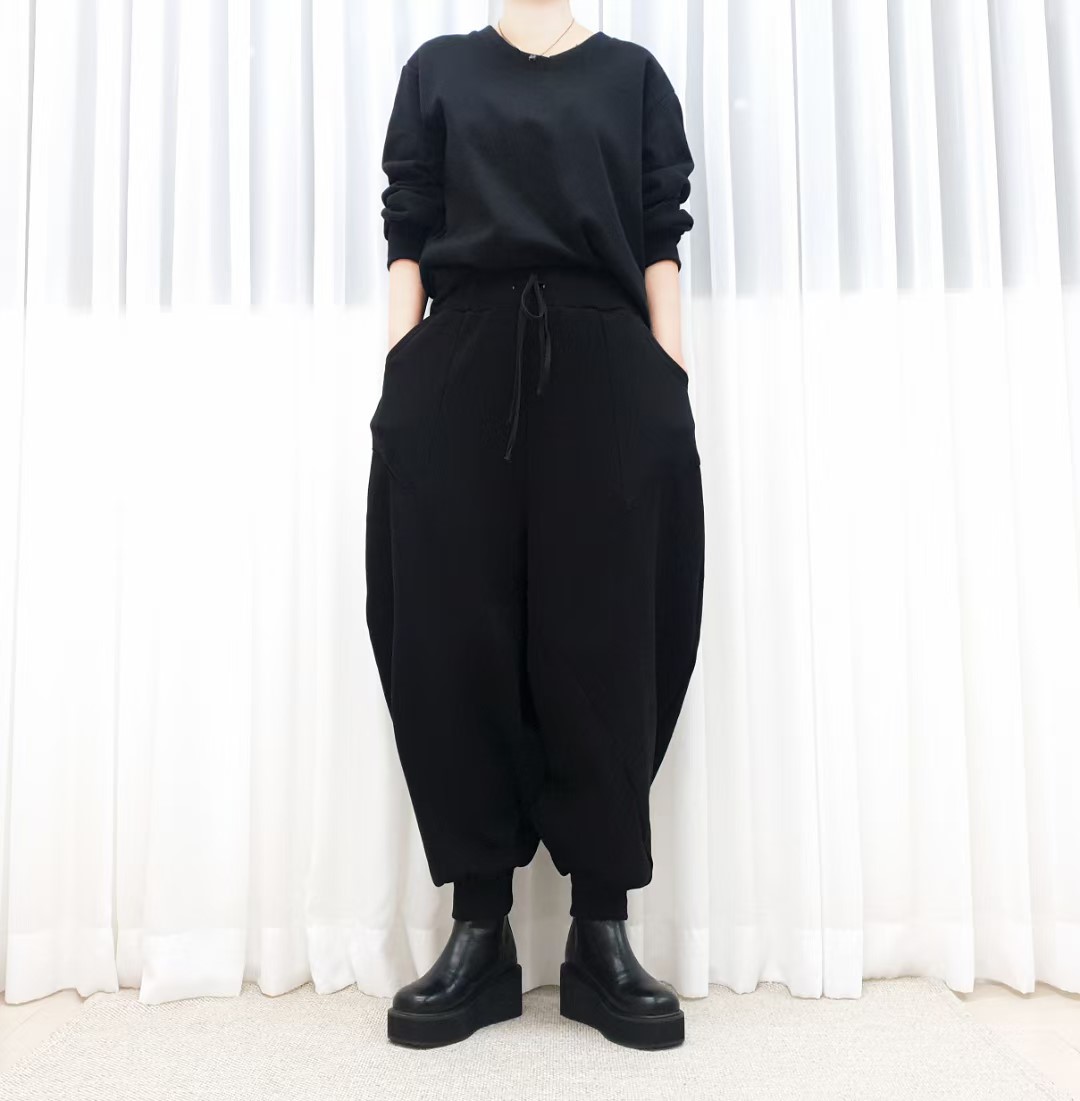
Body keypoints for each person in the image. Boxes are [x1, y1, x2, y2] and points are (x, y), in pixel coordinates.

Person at [366, 0, 704, 1051]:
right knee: (447, 637)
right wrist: (400, 374)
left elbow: (658, 233)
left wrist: (671, 380)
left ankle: (602, 929)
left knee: (609, 642)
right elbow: (410, 227)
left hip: (608, 366)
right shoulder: (437, 70)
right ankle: (480, 930)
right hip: (458, 361)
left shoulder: (633, 76)